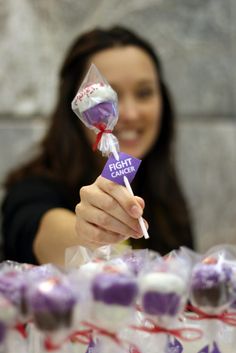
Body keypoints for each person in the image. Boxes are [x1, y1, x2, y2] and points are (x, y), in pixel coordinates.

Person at [1, 25, 194, 266]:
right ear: (77, 111)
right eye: (109, 96)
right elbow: (46, 235)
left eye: (144, 93)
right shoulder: (32, 190)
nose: (131, 113)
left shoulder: (162, 194)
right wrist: (88, 235)